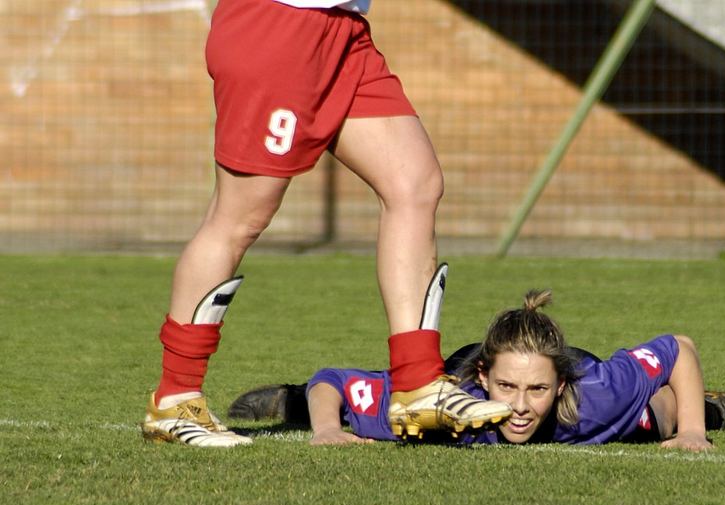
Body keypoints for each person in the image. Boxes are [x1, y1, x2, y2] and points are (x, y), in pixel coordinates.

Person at [140, 0, 508, 447]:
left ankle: (417, 384)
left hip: (343, 30)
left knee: (414, 183)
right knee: (240, 216)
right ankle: (176, 398)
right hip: (279, 24)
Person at [229, 289, 725, 450]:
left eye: (536, 390)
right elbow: (336, 379)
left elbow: (678, 346)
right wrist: (325, 428)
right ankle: (288, 400)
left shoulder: (595, 391)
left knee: (662, 416)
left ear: (559, 385)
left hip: (587, 378)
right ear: (486, 378)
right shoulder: (443, 405)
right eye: (507, 387)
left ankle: (714, 407)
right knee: (346, 404)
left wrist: (697, 431)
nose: (518, 405)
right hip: (461, 361)